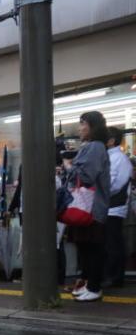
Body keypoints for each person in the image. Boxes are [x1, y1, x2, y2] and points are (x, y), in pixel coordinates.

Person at [67, 111, 112, 302]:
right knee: (85, 246)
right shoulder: (93, 146)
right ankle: (88, 284)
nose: (79, 128)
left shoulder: (94, 147)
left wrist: (69, 166)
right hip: (88, 206)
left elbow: (86, 177)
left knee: (92, 247)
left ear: (92, 126)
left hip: (91, 207)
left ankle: (94, 287)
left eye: (82, 123)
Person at [104, 126, 132, 289]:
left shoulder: (118, 159)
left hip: (114, 207)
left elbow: (113, 185)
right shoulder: (111, 157)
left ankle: (115, 277)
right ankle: (111, 275)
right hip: (109, 206)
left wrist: (99, 189)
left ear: (111, 141)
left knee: (113, 243)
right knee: (110, 242)